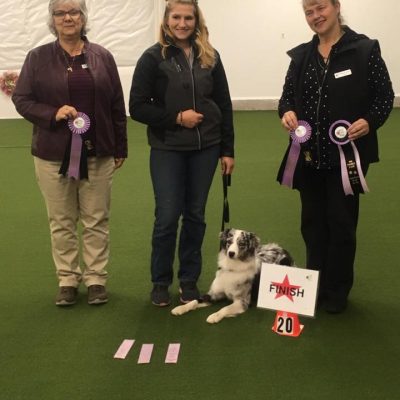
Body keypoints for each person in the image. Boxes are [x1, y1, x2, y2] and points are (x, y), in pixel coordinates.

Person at [277, 0, 394, 313]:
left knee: (341, 224)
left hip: (348, 157)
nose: (315, 16)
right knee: (312, 224)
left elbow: (384, 97)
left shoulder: (365, 50)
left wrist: (369, 121)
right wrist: (287, 112)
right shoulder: (301, 56)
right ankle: (314, 286)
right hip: (309, 156)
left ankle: (337, 290)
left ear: (336, 6)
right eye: (308, 12)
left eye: (320, 8)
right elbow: (286, 97)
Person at [12, 0, 127, 306]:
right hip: (52, 154)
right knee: (61, 220)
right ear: (52, 19)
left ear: (83, 17)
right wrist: (53, 113)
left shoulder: (103, 56)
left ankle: (96, 279)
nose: (67, 17)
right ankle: (67, 278)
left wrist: (120, 146)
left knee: (96, 219)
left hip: (98, 151)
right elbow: (21, 99)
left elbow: (117, 105)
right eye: (60, 13)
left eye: (74, 11)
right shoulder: (37, 58)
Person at [129, 0, 234, 307]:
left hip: (207, 148)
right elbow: (137, 107)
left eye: (189, 17)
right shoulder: (152, 58)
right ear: (166, 20)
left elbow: (224, 105)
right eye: (176, 17)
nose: (183, 23)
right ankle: (160, 281)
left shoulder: (210, 57)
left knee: (196, 215)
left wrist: (228, 149)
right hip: (168, 149)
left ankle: (189, 280)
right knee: (166, 216)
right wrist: (176, 118)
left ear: (196, 20)